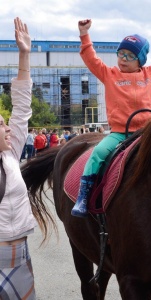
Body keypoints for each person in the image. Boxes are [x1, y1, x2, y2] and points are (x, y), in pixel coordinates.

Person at [71, 19, 151, 217]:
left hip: (148, 133)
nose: (123, 59)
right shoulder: (109, 74)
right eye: (121, 54)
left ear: (140, 60)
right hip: (120, 134)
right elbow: (90, 58)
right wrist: (84, 34)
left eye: (130, 55)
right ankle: (84, 196)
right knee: (98, 153)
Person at [0, 17, 36, 299]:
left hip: (20, 253)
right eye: (1, 124)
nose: (8, 127)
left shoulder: (11, 154)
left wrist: (24, 55)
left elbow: (22, 107)